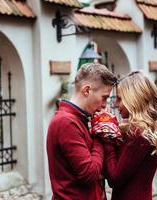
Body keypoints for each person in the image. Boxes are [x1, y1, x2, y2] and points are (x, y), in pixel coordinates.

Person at [92, 71, 157, 200]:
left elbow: (114, 178)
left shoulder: (140, 135)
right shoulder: (142, 131)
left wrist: (107, 137)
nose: (115, 104)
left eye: (119, 98)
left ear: (134, 99)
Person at [46, 63, 117, 200]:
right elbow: (89, 174)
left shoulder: (81, 119)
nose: (105, 105)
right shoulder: (66, 122)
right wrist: (99, 135)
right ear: (86, 91)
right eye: (104, 97)